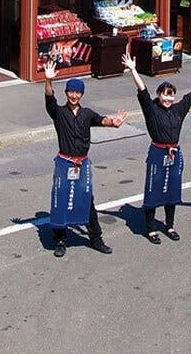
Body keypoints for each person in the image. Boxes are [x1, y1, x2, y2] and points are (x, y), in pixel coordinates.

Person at [122, 49, 191, 243]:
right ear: (159, 95)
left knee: (172, 192)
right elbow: (143, 91)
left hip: (174, 153)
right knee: (153, 191)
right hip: (157, 153)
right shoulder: (151, 109)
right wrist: (133, 70)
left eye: (171, 96)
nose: (168, 99)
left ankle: (170, 225)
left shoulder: (178, 109)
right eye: (165, 95)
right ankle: (150, 229)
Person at [44, 61, 128, 257]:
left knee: (87, 200)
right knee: (60, 200)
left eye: (77, 92)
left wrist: (113, 122)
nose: (74, 95)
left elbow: (102, 120)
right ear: (66, 93)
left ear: (82, 94)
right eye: (71, 92)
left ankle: (96, 239)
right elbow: (49, 98)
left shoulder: (87, 114)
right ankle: (60, 240)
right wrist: (48, 80)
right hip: (64, 162)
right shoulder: (59, 113)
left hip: (82, 164)